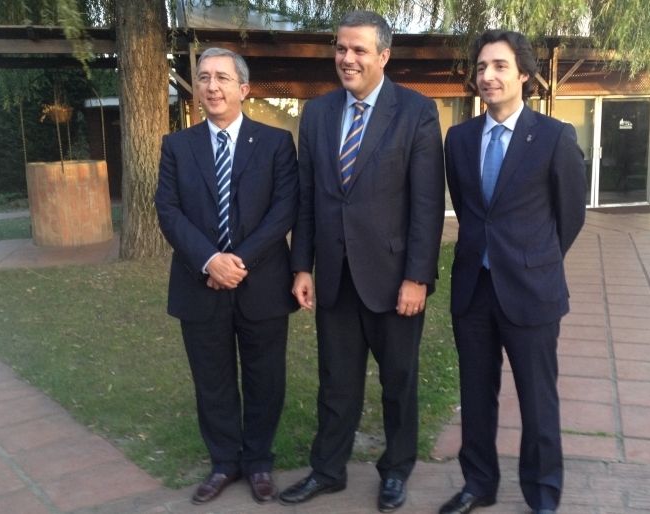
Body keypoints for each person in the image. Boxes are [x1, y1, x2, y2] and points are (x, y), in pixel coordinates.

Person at [280, 10, 445, 513]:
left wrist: (417, 277)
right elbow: (308, 197)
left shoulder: (415, 112)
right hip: (335, 277)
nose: (347, 59)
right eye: (341, 48)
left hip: (394, 280)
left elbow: (427, 204)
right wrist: (302, 266)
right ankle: (328, 471)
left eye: (358, 50)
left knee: (399, 383)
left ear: (383, 56)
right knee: (336, 384)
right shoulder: (317, 114)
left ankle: (395, 470)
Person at [439, 30, 587, 514]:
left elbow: (570, 215)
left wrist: (533, 259)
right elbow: (470, 210)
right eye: (482, 66)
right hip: (473, 291)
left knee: (538, 400)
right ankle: (478, 484)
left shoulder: (554, 137)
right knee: (476, 395)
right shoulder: (459, 139)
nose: (488, 75)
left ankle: (542, 493)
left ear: (523, 74)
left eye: (500, 66)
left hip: (531, 291)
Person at [155, 47, 298, 505]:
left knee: (265, 379)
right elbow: (168, 211)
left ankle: (258, 462)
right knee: (211, 380)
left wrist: (235, 263)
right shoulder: (177, 146)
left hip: (262, 284)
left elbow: (284, 210)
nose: (211, 86)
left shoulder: (276, 143)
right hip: (199, 284)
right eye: (203, 77)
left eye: (222, 77)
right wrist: (209, 261)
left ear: (244, 88)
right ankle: (223, 463)